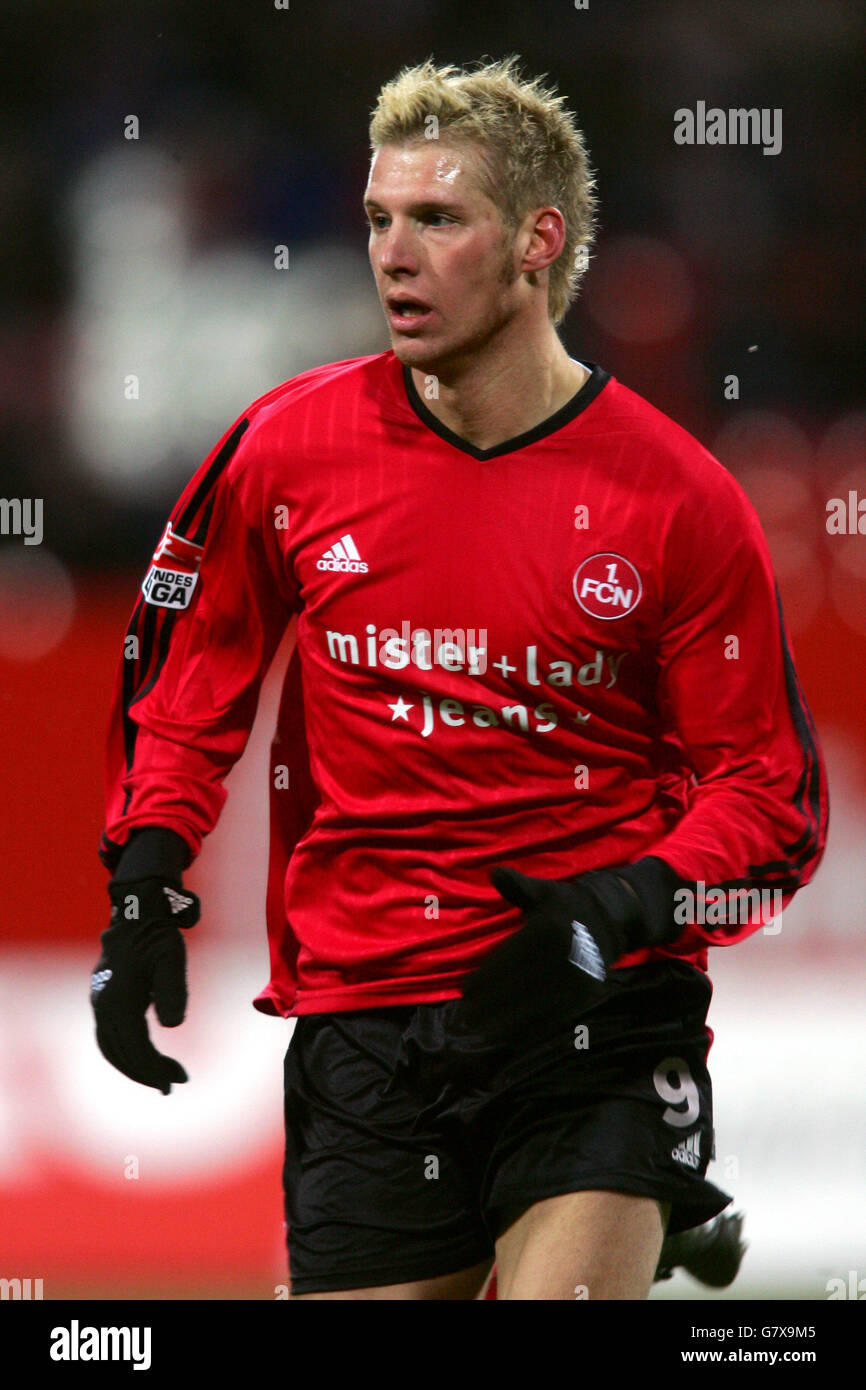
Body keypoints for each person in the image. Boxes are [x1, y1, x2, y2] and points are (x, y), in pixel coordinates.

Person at [90, 57, 827, 1300]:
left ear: (538, 241)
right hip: (363, 1021)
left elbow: (769, 795)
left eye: (437, 219)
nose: (393, 253)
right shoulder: (285, 449)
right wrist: (146, 873)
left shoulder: (676, 499)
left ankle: (650, 1182)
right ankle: (679, 1207)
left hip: (593, 1022)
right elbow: (184, 674)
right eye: (378, 218)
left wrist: (627, 906)